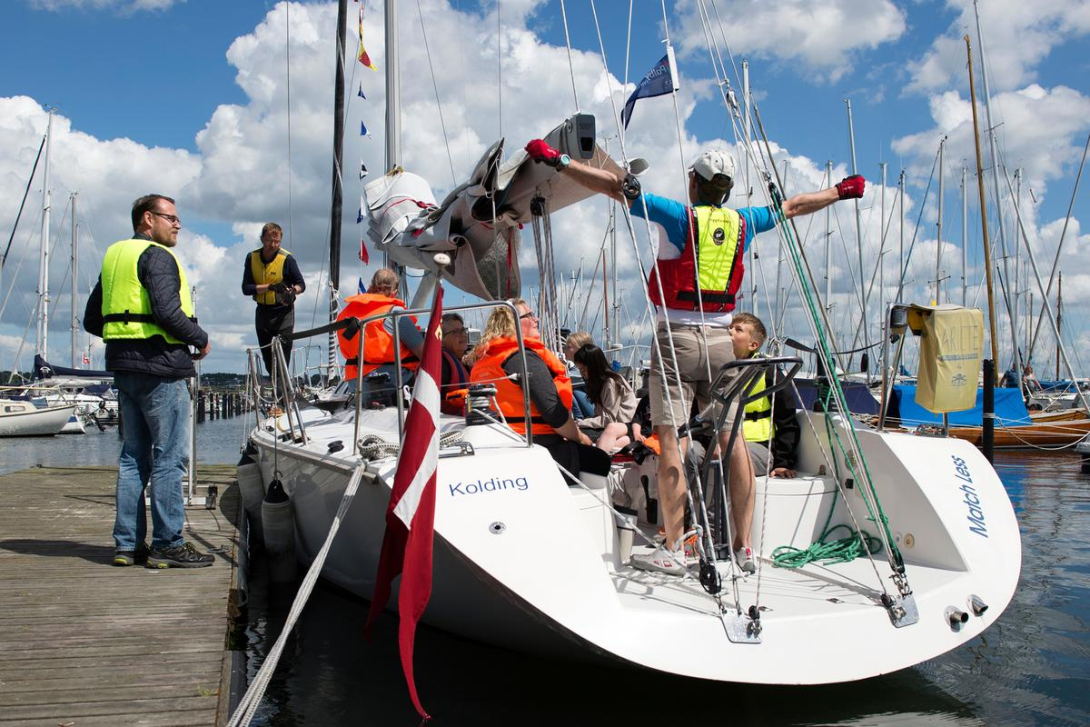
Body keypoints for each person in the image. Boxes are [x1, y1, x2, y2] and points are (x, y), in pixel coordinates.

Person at [525, 138, 864, 575]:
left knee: (671, 442)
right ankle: (743, 548)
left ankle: (676, 545)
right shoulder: (745, 221)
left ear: (694, 182)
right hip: (724, 342)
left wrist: (561, 160)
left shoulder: (679, 216)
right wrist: (840, 190)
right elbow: (795, 206)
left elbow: (614, 186)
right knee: (733, 439)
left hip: (677, 339)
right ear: (725, 189)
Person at [84, 194, 214, 569]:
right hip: (161, 369)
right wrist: (200, 337)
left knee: (131, 459)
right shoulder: (158, 256)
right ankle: (168, 544)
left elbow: (93, 319)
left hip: (124, 369)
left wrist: (125, 331)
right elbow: (167, 311)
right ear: (147, 219)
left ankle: (127, 545)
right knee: (169, 460)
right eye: (170, 218)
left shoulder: (114, 258)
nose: (177, 224)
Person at [470, 300, 610, 480]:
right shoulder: (523, 357)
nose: (536, 319)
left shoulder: (484, 362)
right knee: (600, 460)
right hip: (536, 447)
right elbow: (553, 412)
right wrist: (582, 439)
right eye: (529, 315)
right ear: (513, 323)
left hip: (503, 444)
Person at [336, 268, 424, 401]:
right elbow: (423, 352)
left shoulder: (346, 312)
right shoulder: (395, 314)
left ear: (371, 286)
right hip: (390, 385)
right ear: (394, 292)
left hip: (355, 384)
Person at [730, 313, 800, 478]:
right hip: (716, 443)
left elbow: (787, 421)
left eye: (737, 329)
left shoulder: (768, 373)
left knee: (731, 456)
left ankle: (719, 505)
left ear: (753, 345)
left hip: (758, 446)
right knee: (686, 454)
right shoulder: (713, 368)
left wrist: (783, 462)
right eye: (729, 328)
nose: (730, 332)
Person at [241, 222, 305, 377]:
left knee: (283, 358)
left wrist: (293, 292)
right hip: (263, 312)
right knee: (268, 360)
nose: (273, 245)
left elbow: (301, 284)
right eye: (269, 240)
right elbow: (246, 288)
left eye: (277, 242)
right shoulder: (252, 257)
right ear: (262, 239)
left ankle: (283, 394)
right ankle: (277, 388)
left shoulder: (287, 259)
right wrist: (269, 286)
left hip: (284, 312)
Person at [572, 343, 642, 452]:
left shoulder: (611, 383)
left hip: (622, 427)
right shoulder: (602, 382)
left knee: (575, 434)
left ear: (594, 366)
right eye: (580, 370)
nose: (582, 374)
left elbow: (608, 419)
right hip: (611, 425)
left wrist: (581, 423)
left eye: (584, 369)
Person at [440, 312, 470, 415]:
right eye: (456, 332)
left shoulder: (465, 362)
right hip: (450, 424)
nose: (463, 335)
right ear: (442, 338)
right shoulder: (441, 363)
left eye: (463, 330)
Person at [563, 330, 597, 418]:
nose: (564, 350)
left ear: (580, 349)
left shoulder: (588, 368)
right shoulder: (575, 368)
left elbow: (566, 379)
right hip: (591, 408)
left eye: (568, 347)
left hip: (595, 410)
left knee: (570, 390)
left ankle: (579, 419)